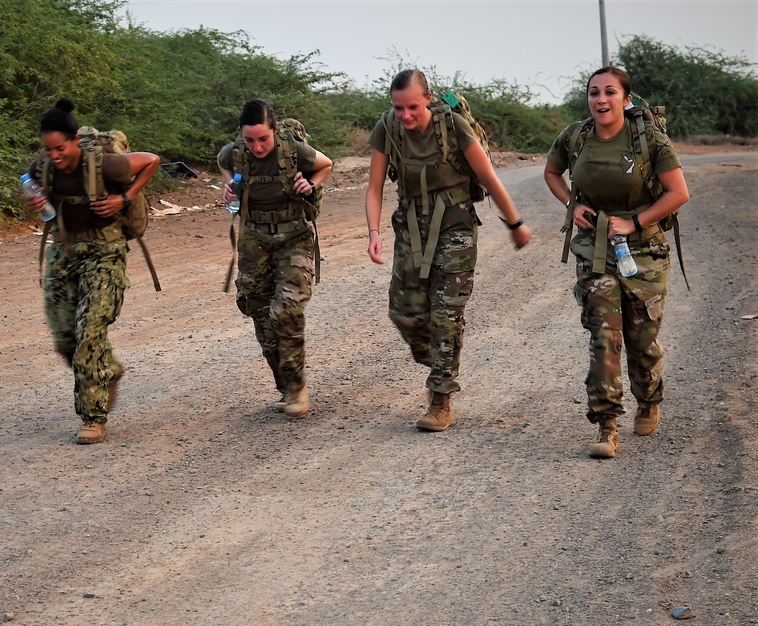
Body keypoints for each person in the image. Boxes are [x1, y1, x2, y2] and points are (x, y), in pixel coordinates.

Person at [365, 69, 531, 432]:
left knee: (446, 313)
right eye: (398, 108)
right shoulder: (387, 127)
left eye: (412, 107)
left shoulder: (453, 125)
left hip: (455, 226)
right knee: (404, 314)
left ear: (427, 99)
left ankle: (440, 399)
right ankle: (438, 354)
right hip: (410, 226)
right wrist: (374, 232)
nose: (405, 116)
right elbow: (375, 187)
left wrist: (515, 224)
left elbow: (488, 178)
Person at [545, 66, 689, 458]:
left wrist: (635, 221)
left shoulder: (649, 139)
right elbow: (552, 172)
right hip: (595, 249)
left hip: (644, 249)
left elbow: (678, 193)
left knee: (642, 340)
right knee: (604, 336)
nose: (601, 99)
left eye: (610, 92)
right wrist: (572, 206)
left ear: (626, 99)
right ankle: (606, 425)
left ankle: (648, 399)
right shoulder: (576, 137)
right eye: (594, 92)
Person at [25, 98, 160, 444]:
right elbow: (43, 205)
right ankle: (108, 371)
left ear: (74, 141)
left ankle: (93, 416)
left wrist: (125, 198)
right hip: (65, 251)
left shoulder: (106, 165)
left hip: (105, 252)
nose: (55, 155)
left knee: (89, 334)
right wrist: (37, 203)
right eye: (48, 149)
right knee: (64, 339)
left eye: (60, 148)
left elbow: (151, 161)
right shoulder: (42, 168)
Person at [217, 99, 333, 417]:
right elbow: (222, 161)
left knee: (286, 308)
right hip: (255, 238)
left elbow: (326, 164)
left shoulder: (293, 150)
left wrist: (310, 183)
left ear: (275, 129)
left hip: (294, 236)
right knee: (259, 310)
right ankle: (286, 385)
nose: (256, 146)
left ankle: (298, 388)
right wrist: (229, 185)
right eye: (250, 139)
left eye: (263, 138)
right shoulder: (236, 151)